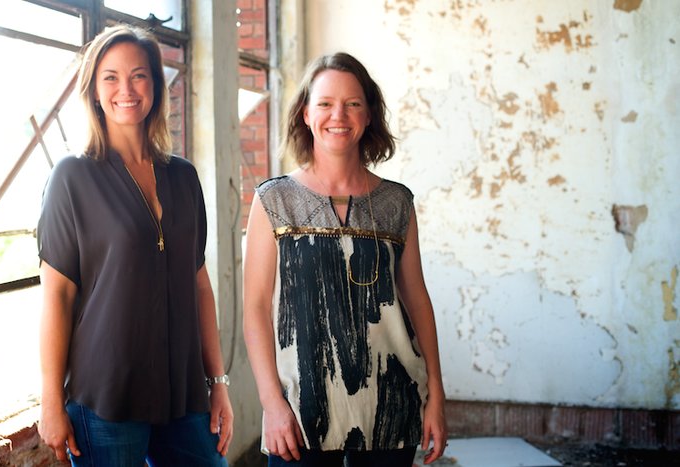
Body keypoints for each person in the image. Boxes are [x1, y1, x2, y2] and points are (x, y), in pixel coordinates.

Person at [36, 24, 233, 466]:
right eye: (111, 77)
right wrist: (50, 401)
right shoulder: (72, 177)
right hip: (106, 399)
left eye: (139, 75)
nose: (125, 89)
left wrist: (218, 382)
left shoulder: (183, 177)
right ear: (94, 90)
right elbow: (57, 296)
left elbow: (200, 285)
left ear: (156, 86)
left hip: (183, 395)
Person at [243, 52, 447, 466]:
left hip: (393, 405)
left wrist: (437, 397)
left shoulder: (396, 202)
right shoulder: (274, 200)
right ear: (306, 114)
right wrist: (272, 403)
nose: (339, 115)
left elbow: (417, 300)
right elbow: (255, 309)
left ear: (368, 115)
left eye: (353, 103)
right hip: (301, 413)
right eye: (325, 103)